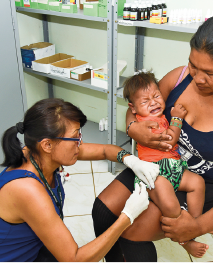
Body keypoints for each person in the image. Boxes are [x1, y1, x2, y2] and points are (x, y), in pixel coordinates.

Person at [92, 15, 213, 261]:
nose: (196, 78)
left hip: (203, 183)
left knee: (131, 231)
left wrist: (198, 226)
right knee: (102, 210)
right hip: (161, 162)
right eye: (193, 66)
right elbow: (136, 108)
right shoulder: (179, 77)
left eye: (209, 72)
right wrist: (133, 128)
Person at [0, 98, 160, 262]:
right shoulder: (27, 189)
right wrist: (128, 216)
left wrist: (131, 160)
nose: (80, 142)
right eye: (75, 137)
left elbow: (105, 151)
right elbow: (74, 259)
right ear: (47, 145)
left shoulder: (40, 153)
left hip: (35, 246)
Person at [123, 71, 207, 257]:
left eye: (156, 96)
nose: (153, 102)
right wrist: (177, 119)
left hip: (174, 167)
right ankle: (185, 240)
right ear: (133, 108)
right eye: (145, 101)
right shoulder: (145, 124)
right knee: (167, 198)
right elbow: (169, 140)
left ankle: (194, 222)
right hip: (154, 172)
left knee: (197, 183)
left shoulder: (159, 116)